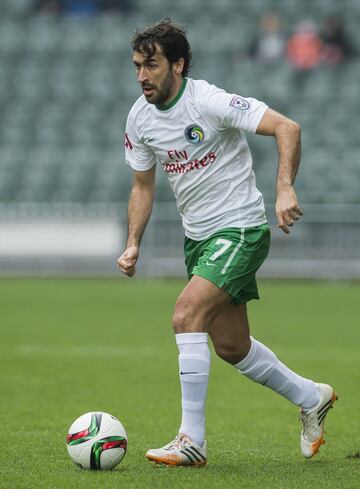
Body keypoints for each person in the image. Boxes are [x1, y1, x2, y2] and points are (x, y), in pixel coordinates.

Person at [118, 19, 337, 467]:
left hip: (239, 229)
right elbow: (142, 186)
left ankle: (191, 439)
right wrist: (133, 241)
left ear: (177, 65)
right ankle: (311, 396)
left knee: (185, 314)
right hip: (199, 240)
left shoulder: (210, 101)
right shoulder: (140, 118)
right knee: (233, 346)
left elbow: (287, 127)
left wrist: (284, 189)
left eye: (152, 65)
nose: (142, 75)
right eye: (138, 65)